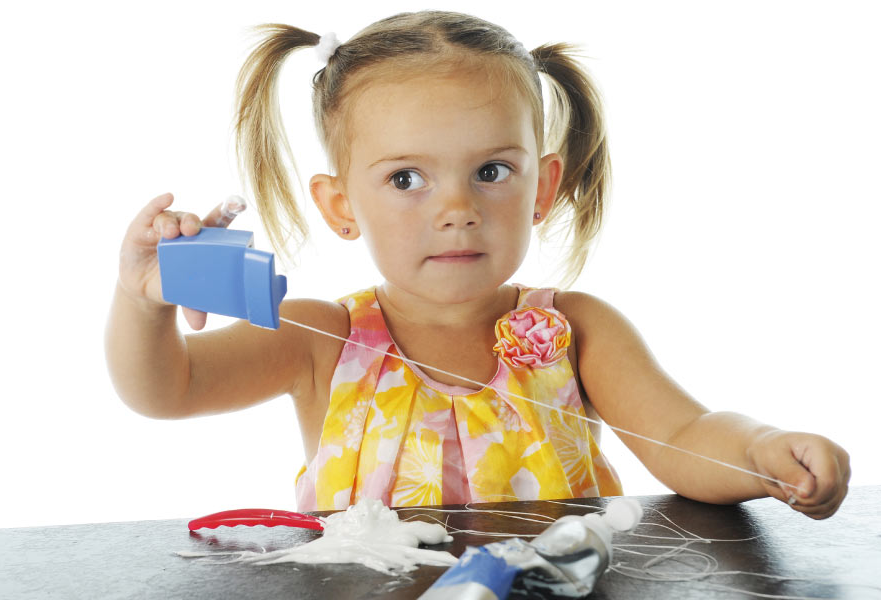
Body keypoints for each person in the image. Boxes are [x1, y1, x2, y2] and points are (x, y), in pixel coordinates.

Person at [105, 10, 849, 518]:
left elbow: (684, 438)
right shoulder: (316, 338)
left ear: (543, 187)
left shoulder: (574, 330)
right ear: (339, 206)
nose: (456, 207)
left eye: (491, 171)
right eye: (407, 179)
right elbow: (167, 390)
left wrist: (761, 453)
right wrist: (142, 304)